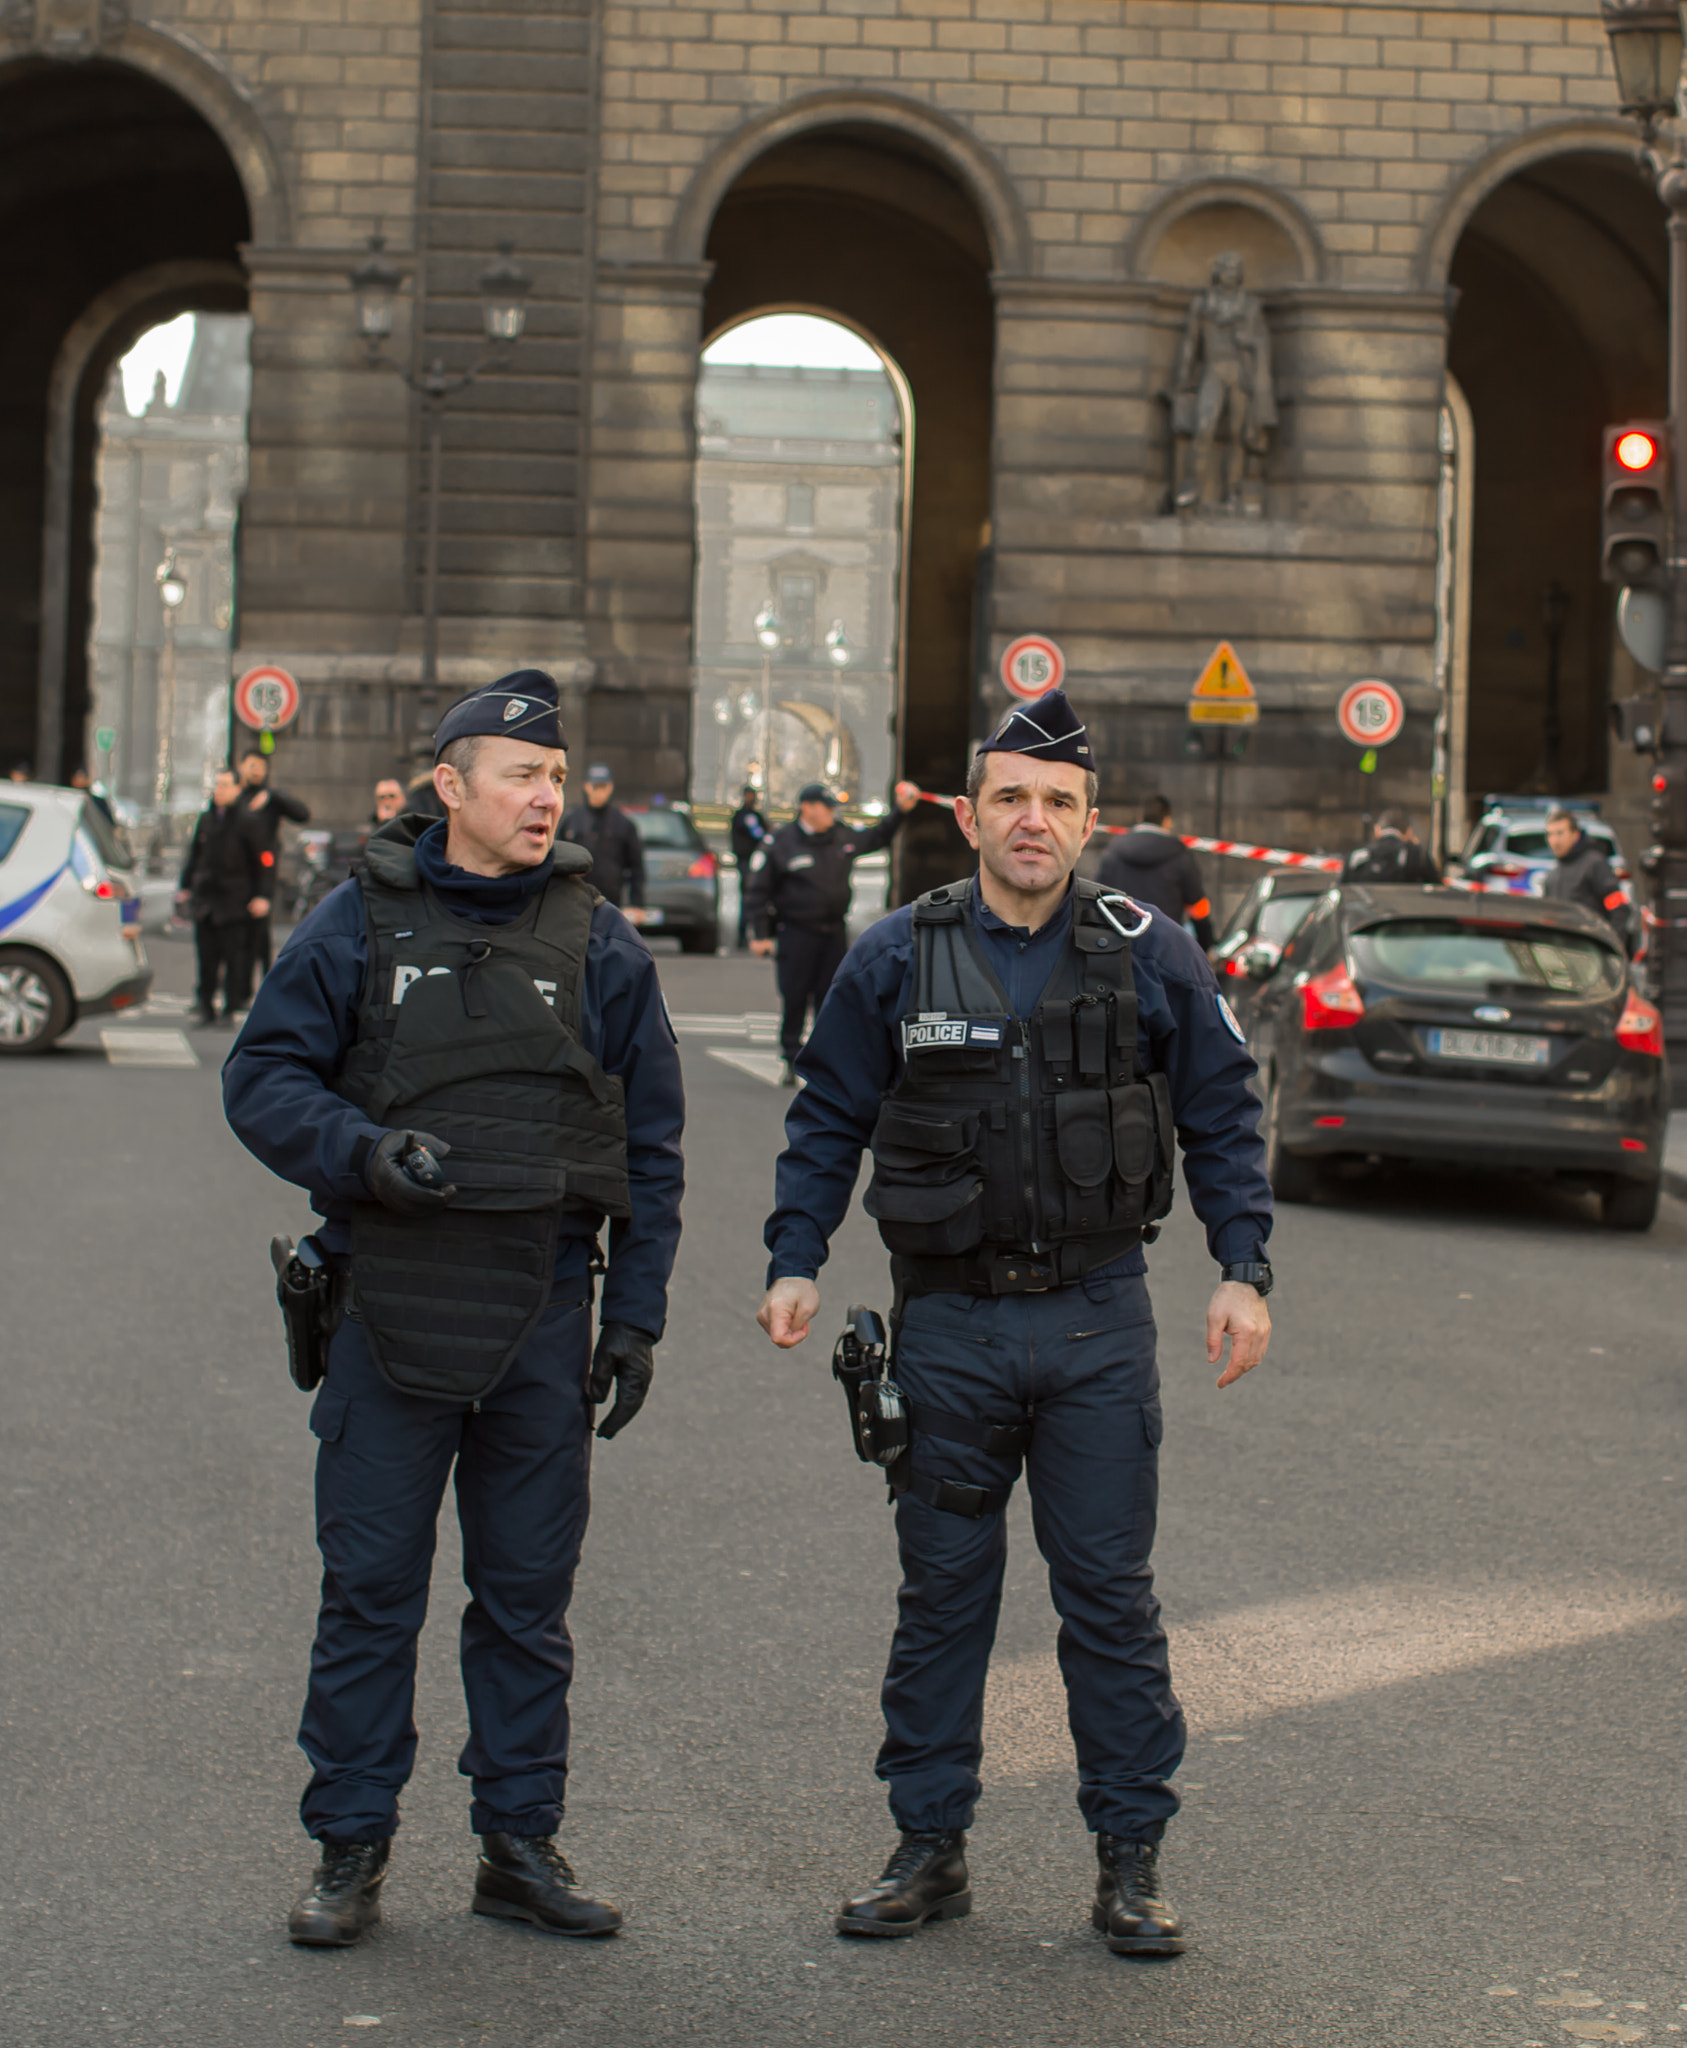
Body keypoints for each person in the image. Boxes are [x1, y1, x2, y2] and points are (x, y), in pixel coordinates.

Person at [756, 688, 1272, 1956]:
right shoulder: (893, 953)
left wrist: (1242, 1265)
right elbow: (827, 1114)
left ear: (1088, 817)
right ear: (968, 814)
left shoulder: (1150, 948)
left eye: (1055, 800)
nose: (1031, 819)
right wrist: (794, 1254)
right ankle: (928, 1846)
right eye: (1009, 797)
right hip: (949, 1326)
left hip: (1098, 1319)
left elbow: (1220, 1111)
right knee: (942, 1598)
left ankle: (1130, 1859)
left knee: (1108, 1600)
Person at [222, 671, 685, 1949]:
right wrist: (363, 1151)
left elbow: (649, 1147)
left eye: (555, 776)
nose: (549, 797)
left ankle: (517, 1844)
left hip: (544, 1306)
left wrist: (633, 1317)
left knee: (526, 1599)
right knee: (371, 1591)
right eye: (522, 777)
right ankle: (350, 1845)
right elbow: (261, 1077)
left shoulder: (601, 941)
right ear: (451, 787)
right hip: (390, 1306)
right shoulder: (358, 923)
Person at [747, 780, 920, 1082]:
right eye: (825, 807)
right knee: (796, 996)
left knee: (832, 998)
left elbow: (877, 837)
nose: (830, 813)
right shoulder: (781, 842)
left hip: (832, 933)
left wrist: (900, 812)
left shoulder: (840, 836)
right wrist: (760, 934)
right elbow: (758, 892)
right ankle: (790, 1056)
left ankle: (824, 1060)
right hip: (797, 933)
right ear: (807, 808)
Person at [177, 765, 268, 1025]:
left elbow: (262, 862)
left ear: (238, 789)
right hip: (206, 899)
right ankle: (205, 1005)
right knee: (206, 957)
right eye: (217, 785)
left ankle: (230, 1008)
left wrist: (262, 895)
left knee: (234, 957)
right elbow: (195, 854)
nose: (220, 790)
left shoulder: (248, 821)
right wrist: (186, 886)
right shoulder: (207, 819)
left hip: (235, 900)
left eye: (225, 785)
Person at [1097, 796, 1215, 949]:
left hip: (1119, 945)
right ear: (1167, 821)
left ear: (1140, 818)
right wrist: (1206, 944)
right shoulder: (1179, 855)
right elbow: (1198, 907)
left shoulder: (1113, 852)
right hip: (1164, 948)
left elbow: (1098, 898)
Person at [234, 747, 311, 976]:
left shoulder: (271, 799)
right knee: (238, 937)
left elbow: (302, 814)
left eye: (261, 767)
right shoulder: (234, 795)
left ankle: (266, 981)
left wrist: (274, 795)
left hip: (262, 874)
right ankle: (238, 989)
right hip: (235, 876)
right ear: (242, 766)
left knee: (260, 935)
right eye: (252, 765)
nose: (256, 771)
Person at [560, 765, 646, 918]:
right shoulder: (572, 820)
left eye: (603, 787)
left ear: (610, 787)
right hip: (574, 900)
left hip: (611, 902)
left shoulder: (623, 823)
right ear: (587, 787)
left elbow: (636, 867)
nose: (599, 792)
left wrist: (636, 904)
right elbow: (558, 862)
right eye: (595, 787)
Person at [1541, 805, 1629, 936]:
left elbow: (1618, 908)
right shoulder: (1552, 876)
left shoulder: (1594, 864)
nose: (1555, 841)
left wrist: (1611, 944)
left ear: (1575, 835)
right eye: (1550, 834)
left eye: (1560, 833)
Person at [1341, 810, 1440, 886]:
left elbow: (1342, 889)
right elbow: (1436, 891)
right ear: (1408, 832)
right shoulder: (1418, 855)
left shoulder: (1356, 855)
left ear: (1377, 830)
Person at [729, 784, 770, 950]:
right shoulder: (748, 817)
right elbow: (759, 834)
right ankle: (745, 936)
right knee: (750, 899)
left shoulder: (745, 815)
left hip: (748, 860)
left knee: (749, 899)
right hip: (748, 861)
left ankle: (745, 936)